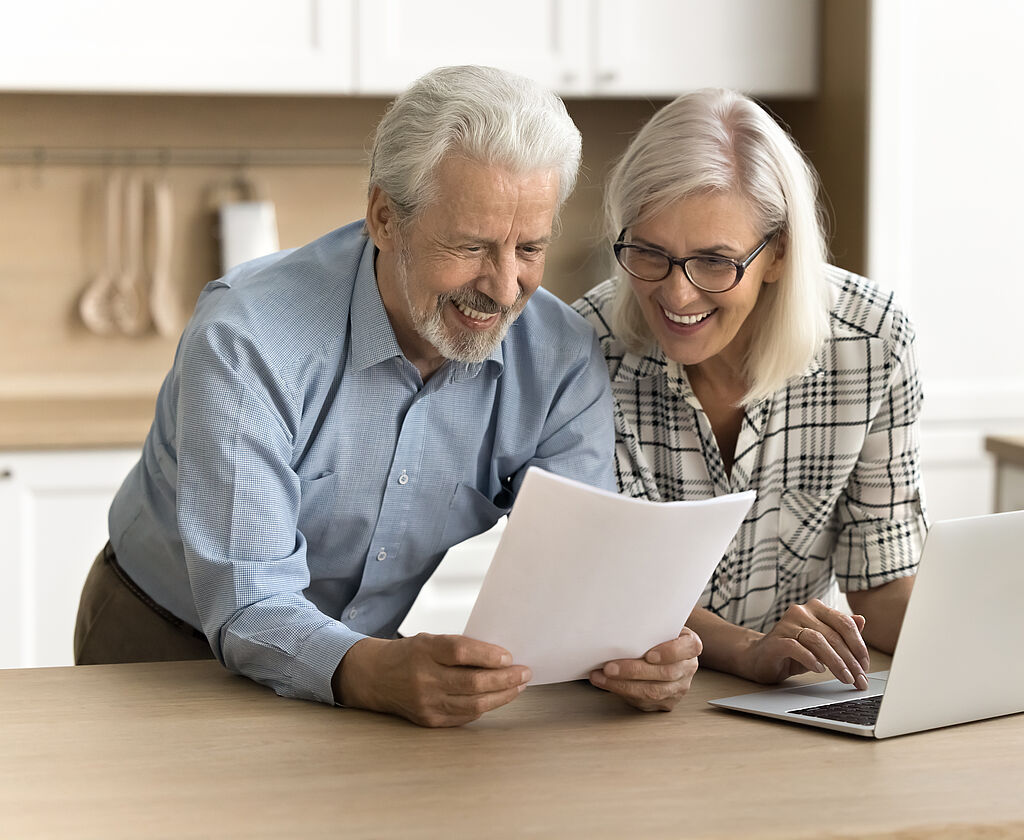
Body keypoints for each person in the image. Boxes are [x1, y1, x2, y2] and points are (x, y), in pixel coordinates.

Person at [73, 65, 701, 726]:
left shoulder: (559, 358)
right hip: (165, 645)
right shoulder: (250, 338)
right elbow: (248, 600)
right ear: (384, 218)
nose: (504, 286)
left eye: (530, 247)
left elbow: (584, 571)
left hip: (365, 668)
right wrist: (373, 671)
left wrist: (637, 652)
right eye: (471, 246)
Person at [574, 89, 927, 692]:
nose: (677, 296)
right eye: (650, 253)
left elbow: (881, 582)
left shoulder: (872, 343)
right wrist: (748, 651)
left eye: (715, 262)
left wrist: (990, 632)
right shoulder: (584, 350)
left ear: (779, 253)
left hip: (785, 698)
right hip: (627, 697)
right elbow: (615, 586)